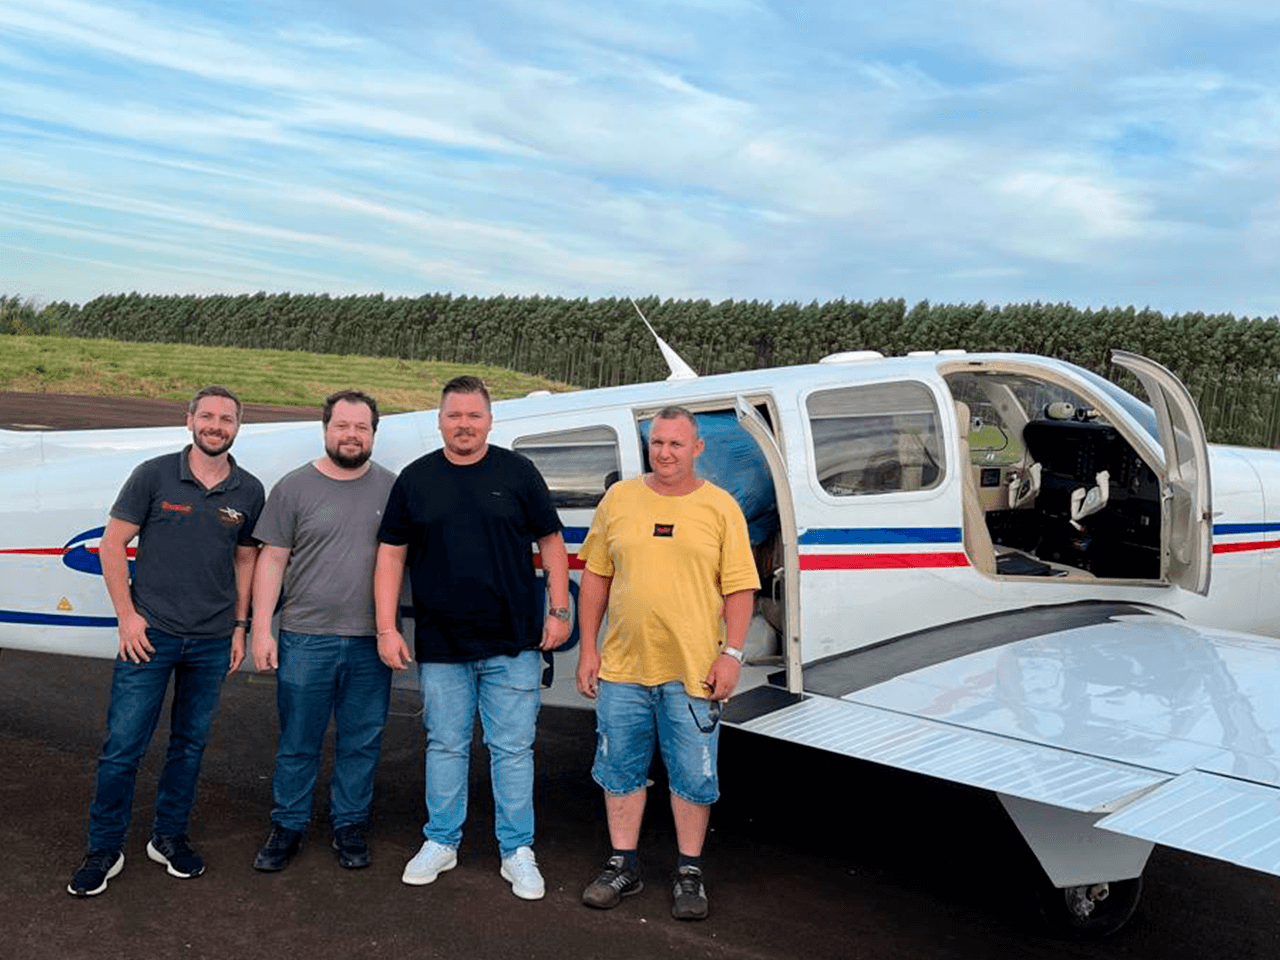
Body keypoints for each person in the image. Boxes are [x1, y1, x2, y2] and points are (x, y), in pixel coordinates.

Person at [373, 375, 570, 901]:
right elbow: (390, 555)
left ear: (490, 420)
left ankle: (517, 850)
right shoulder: (415, 479)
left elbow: (552, 541)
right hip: (442, 645)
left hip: (513, 642)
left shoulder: (518, 472)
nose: (464, 424)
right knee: (445, 746)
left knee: (512, 750)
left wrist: (559, 610)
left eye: (474, 415)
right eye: (454, 415)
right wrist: (387, 627)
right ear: (439, 421)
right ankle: (441, 840)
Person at [67, 385, 264, 897]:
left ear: (237, 427)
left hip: (212, 640)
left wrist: (239, 627)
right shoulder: (153, 475)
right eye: (207, 416)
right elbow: (112, 545)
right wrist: (127, 618)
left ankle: (168, 837)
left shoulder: (248, 490)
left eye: (226, 419)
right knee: (122, 748)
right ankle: (103, 849)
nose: (216, 426)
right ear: (189, 420)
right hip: (149, 637)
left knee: (189, 746)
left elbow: (246, 559)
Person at [575, 406, 759, 921]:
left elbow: (740, 588)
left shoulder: (720, 507)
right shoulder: (619, 499)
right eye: (657, 442)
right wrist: (588, 649)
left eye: (676, 443)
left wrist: (732, 654)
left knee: (694, 778)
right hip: (623, 670)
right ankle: (623, 864)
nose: (665, 452)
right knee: (619, 771)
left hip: (693, 671)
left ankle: (689, 871)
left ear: (697, 449)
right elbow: (596, 578)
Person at [249, 390, 397, 873]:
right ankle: (287, 825)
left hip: (370, 641)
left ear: (373, 433)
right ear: (326, 429)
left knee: (362, 741)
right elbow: (272, 559)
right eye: (342, 426)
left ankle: (349, 824)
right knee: (298, 740)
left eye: (361, 427)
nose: (352, 435)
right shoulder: (293, 487)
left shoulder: (393, 489)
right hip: (305, 637)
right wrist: (261, 629)